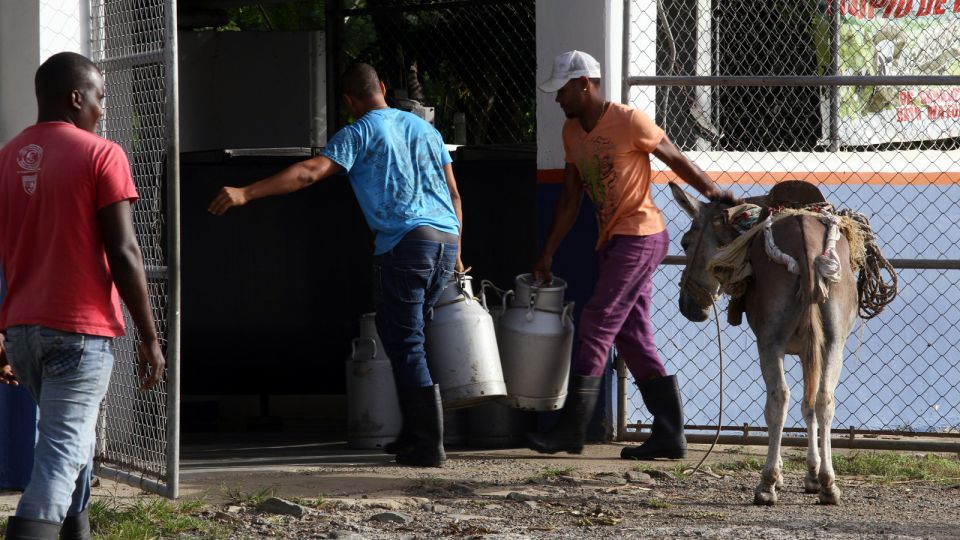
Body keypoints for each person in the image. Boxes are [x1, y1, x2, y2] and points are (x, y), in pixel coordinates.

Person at [208, 63, 463, 468]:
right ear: (381, 87)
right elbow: (452, 192)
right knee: (407, 336)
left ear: (348, 101)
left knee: (406, 341)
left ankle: (430, 443)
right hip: (446, 241)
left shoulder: (359, 132)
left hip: (405, 244)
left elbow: (310, 173)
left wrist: (247, 192)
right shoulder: (426, 129)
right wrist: (459, 250)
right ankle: (414, 433)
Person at [528, 50, 732, 460]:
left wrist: (712, 192)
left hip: (641, 235)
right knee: (632, 335)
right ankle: (670, 435)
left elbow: (674, 156)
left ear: (584, 84)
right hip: (614, 240)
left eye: (563, 90)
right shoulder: (572, 133)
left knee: (598, 320)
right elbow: (570, 197)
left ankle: (573, 428)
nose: (558, 100)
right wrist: (547, 252)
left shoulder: (628, 120)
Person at [0, 52, 165, 540]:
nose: (102, 108)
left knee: (71, 444)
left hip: (25, 333)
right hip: (79, 332)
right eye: (99, 97)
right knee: (59, 454)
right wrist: (150, 337)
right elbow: (124, 249)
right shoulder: (101, 153)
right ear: (77, 97)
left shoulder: (7, 157)